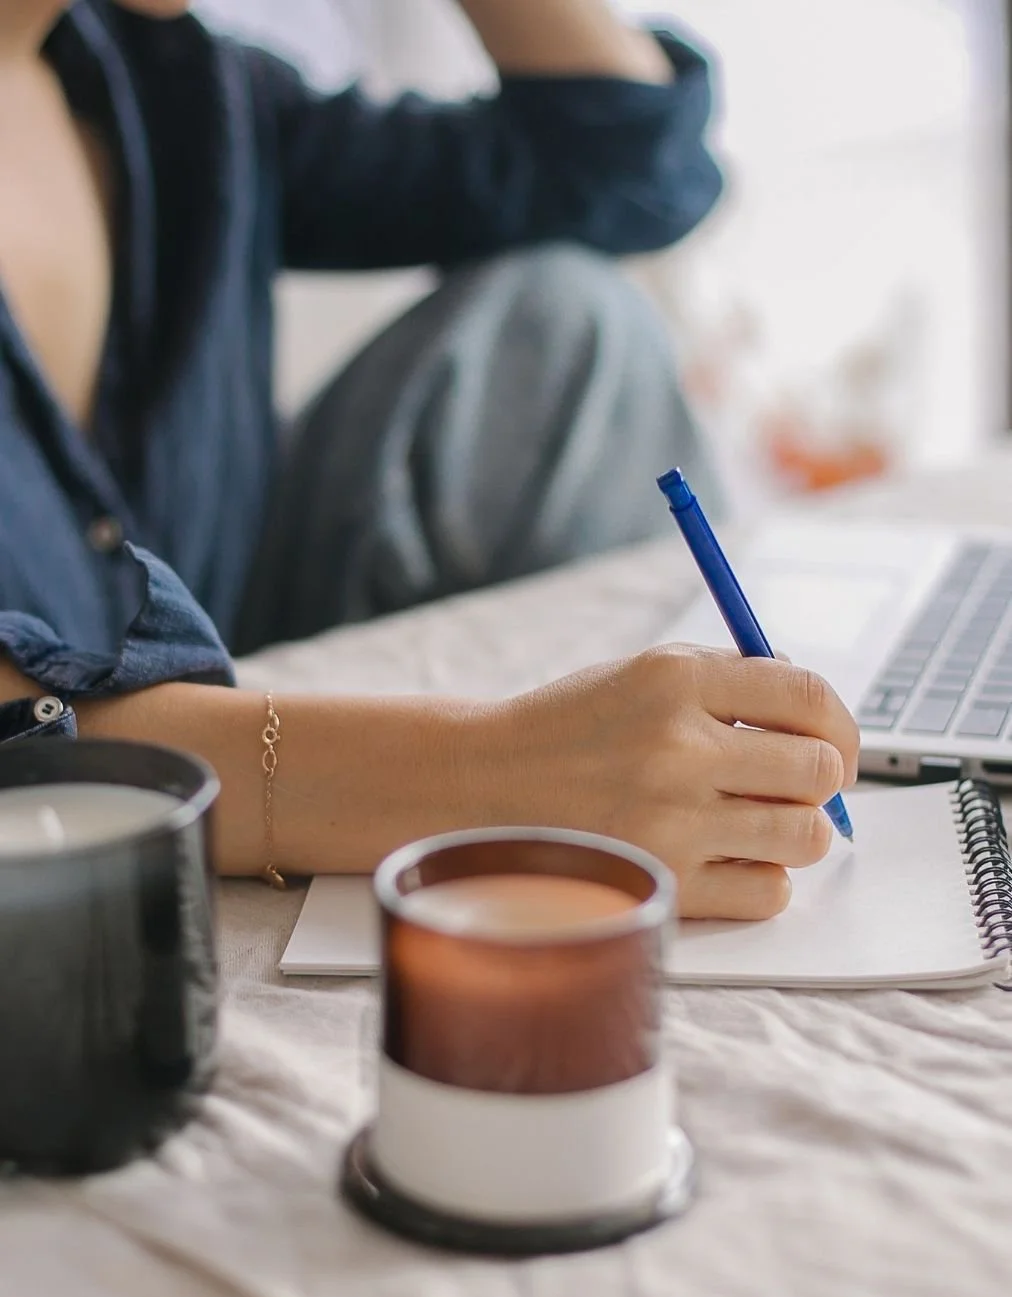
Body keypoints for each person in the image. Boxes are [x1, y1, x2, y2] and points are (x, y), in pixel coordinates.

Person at [0, 0, 860, 919]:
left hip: (241, 626)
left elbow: (627, 165)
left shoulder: (174, 88)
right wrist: (496, 772)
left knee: (564, 325)